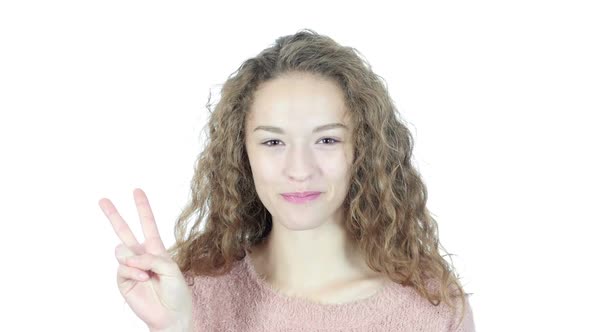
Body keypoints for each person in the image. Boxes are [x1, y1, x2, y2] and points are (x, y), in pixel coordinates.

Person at [99, 29, 476, 331]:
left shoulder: (432, 309)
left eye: (327, 140)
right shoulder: (192, 293)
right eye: (273, 141)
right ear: (241, 153)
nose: (299, 169)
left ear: (364, 149)